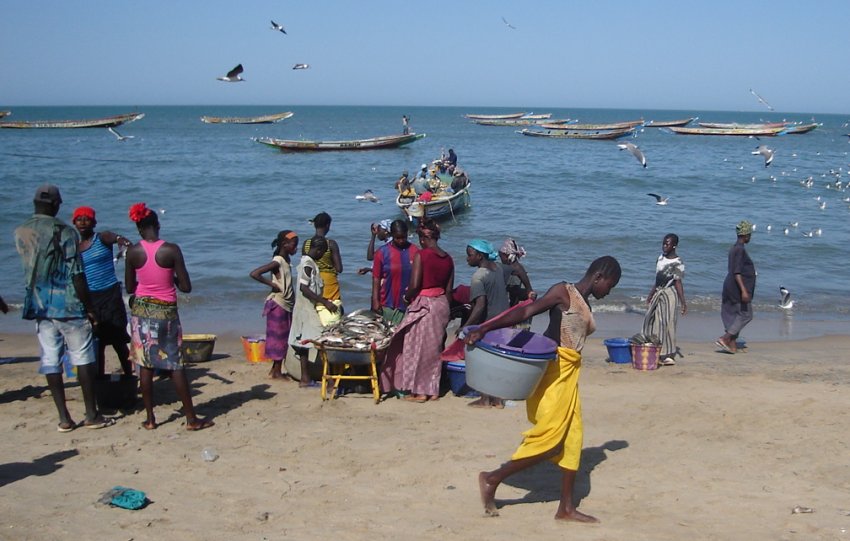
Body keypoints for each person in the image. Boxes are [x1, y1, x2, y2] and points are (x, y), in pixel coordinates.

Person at [464, 256, 622, 522]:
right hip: (552, 374)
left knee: (573, 441)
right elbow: (526, 311)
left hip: (569, 376)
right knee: (550, 442)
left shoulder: (584, 303)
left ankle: (566, 509)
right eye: (611, 285)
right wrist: (485, 327)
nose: (609, 291)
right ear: (599, 277)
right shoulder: (564, 292)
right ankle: (492, 478)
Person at [15, 184, 112, 432]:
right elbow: (77, 274)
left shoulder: (21, 231)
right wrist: (89, 307)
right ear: (56, 205)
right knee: (82, 358)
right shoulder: (65, 232)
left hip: (40, 305)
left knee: (50, 359)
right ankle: (91, 414)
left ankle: (64, 419)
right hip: (68, 303)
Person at [125, 202, 213, 431]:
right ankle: (191, 419)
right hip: (166, 313)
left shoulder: (133, 251)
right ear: (157, 225)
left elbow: (129, 286)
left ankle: (151, 419)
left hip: (141, 312)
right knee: (174, 364)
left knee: (145, 365)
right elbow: (186, 287)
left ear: (139, 228)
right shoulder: (171, 250)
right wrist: (171, 278)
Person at [380, 218, 454, 402]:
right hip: (441, 303)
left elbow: (414, 284)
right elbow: (449, 289)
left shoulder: (422, 255)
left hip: (425, 303)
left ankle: (420, 392)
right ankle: (433, 390)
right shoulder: (448, 258)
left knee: (416, 348)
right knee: (434, 350)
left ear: (422, 238)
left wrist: (407, 298)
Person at [72, 205, 133, 377]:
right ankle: (99, 380)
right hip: (90, 299)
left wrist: (123, 242)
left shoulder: (102, 237)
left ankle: (129, 376)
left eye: (87, 219)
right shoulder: (75, 248)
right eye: (79, 219)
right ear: (74, 223)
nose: (83, 222)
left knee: (118, 341)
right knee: (97, 343)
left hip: (110, 296)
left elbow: (119, 239)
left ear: (94, 222)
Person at [465, 239, 511, 408]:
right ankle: (498, 400)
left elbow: (480, 306)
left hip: (489, 324)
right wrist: (528, 288)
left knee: (483, 361)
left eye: (469, 255)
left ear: (479, 256)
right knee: (499, 362)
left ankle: (485, 399)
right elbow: (517, 268)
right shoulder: (498, 268)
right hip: (505, 321)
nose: (467, 259)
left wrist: (466, 326)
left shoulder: (478, 276)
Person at [288, 236, 339, 386]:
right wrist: (324, 302)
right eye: (321, 253)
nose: (321, 256)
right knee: (322, 340)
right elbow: (304, 288)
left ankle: (305, 378)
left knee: (303, 341)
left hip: (306, 307)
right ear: (318, 250)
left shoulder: (308, 262)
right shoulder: (308, 264)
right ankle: (329, 380)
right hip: (306, 308)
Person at [249, 230, 299, 380]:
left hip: (286, 304)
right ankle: (276, 372)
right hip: (278, 304)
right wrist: (272, 284)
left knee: (284, 337)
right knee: (278, 339)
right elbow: (255, 273)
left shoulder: (285, 260)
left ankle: (275, 369)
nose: (296, 248)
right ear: (284, 244)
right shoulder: (277, 261)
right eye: (293, 245)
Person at [642, 233, 687, 365]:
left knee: (668, 323)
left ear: (674, 246)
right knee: (654, 321)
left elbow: (678, 282)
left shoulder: (678, 262)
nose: (664, 246)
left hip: (670, 294)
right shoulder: (660, 258)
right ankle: (657, 350)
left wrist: (683, 302)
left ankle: (669, 354)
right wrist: (651, 295)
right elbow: (657, 279)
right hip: (658, 292)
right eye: (663, 243)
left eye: (667, 244)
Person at [716, 221, 756, 354]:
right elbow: (737, 272)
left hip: (729, 285)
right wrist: (744, 290)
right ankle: (725, 338)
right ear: (745, 235)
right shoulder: (739, 249)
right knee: (746, 314)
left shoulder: (734, 248)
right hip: (736, 287)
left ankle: (732, 346)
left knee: (732, 314)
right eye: (749, 235)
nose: (750, 237)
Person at [371, 220, 418, 325]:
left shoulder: (414, 251)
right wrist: (375, 300)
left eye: (403, 237)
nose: (401, 240)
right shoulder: (382, 253)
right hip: (388, 303)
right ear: (392, 235)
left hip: (410, 303)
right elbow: (376, 278)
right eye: (398, 238)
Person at [302, 212, 343, 308]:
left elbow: (305, 263)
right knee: (332, 312)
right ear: (328, 225)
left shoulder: (306, 243)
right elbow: (339, 268)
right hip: (328, 283)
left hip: (311, 282)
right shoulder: (331, 244)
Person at [498, 238, 536, 307]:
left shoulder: (517, 269)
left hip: (515, 300)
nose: (500, 259)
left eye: (501, 256)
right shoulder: (515, 268)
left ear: (507, 256)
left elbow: (528, 290)